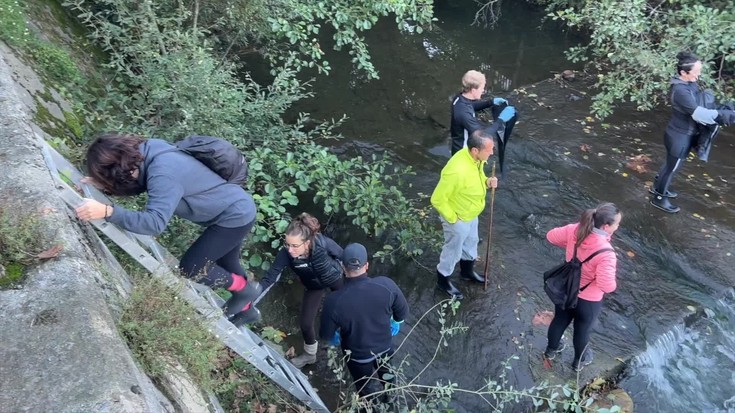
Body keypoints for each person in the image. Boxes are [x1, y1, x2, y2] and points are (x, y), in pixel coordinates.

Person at [74, 133, 262, 326]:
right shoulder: (149, 152)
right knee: (227, 263)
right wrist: (104, 187)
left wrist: (107, 211)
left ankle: (245, 291)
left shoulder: (162, 171)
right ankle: (248, 310)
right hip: (235, 207)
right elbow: (140, 185)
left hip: (235, 215)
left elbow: (154, 223)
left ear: (118, 169)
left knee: (192, 267)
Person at [320, 243, 409, 405]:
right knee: (388, 375)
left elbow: (325, 335)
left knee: (364, 386)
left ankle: (370, 406)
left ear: (342, 267)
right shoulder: (386, 285)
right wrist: (395, 322)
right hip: (385, 347)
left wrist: (336, 338)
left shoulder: (334, 301)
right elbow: (402, 311)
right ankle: (392, 399)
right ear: (367, 265)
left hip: (358, 356)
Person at [650, 52, 735, 213]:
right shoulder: (681, 91)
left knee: (670, 165)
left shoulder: (690, 83)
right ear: (683, 73)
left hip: (682, 134)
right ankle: (659, 198)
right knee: (672, 168)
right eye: (696, 72)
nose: (699, 75)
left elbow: (701, 103)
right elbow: (699, 114)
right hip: (679, 137)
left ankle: (657, 187)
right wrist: (726, 116)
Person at [257, 213, 344, 368]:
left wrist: (357, 284)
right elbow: (270, 278)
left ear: (307, 242)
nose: (290, 250)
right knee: (305, 323)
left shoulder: (323, 244)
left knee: (347, 314)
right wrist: (251, 300)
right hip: (313, 286)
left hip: (335, 279)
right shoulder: (286, 255)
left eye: (295, 246)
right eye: (287, 244)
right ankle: (310, 355)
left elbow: (344, 257)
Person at [543, 203, 621, 372]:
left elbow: (550, 236)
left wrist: (571, 248)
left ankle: (550, 352)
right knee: (582, 331)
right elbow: (607, 286)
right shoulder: (607, 253)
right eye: (617, 224)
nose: (618, 226)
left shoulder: (575, 230)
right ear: (606, 227)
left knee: (559, 320)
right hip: (588, 300)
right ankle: (578, 362)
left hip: (566, 291)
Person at [431, 130, 498, 300]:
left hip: (471, 212)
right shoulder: (456, 171)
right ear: (475, 150)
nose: (492, 152)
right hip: (457, 217)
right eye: (489, 150)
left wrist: (487, 181)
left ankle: (467, 273)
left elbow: (477, 177)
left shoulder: (475, 159)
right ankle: (443, 281)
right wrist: (454, 219)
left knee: (471, 242)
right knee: (452, 250)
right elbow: (437, 199)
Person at [450, 70, 518, 173]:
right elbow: (482, 136)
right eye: (482, 88)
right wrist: (501, 119)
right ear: (473, 90)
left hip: (458, 146)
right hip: (465, 153)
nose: (483, 91)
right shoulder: (463, 113)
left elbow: (471, 106)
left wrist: (490, 102)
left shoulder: (459, 99)